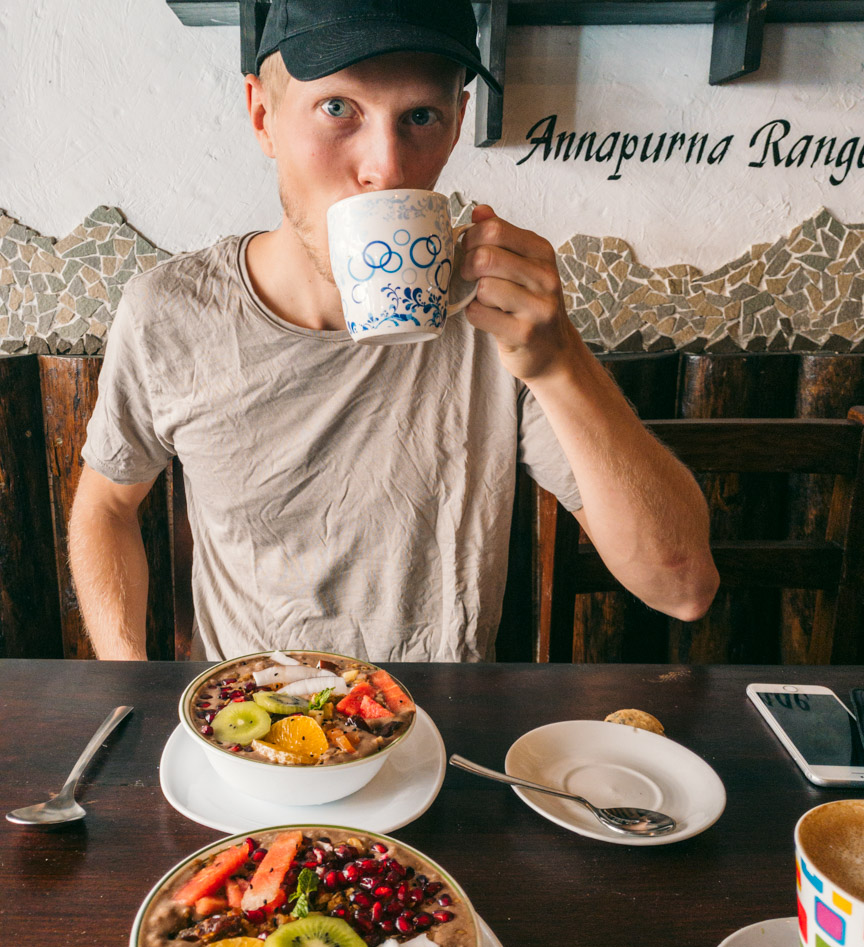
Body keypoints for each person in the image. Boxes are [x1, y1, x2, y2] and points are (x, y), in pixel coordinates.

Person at [69, 0, 719, 663]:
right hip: (254, 733)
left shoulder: (500, 316)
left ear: (457, 122)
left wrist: (562, 365)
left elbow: (683, 587)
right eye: (337, 109)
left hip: (442, 732)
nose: (387, 167)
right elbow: (107, 508)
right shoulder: (169, 313)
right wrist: (126, 682)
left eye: (419, 117)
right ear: (262, 116)